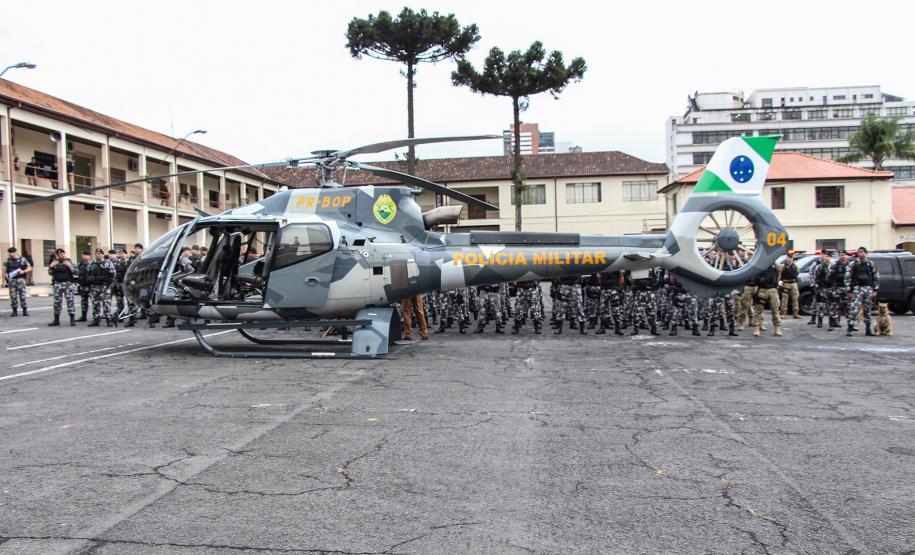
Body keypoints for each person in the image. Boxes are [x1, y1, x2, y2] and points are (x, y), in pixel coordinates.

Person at [845, 247, 879, 337]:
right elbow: (847, 277)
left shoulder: (870, 264)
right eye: (860, 252)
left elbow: (876, 277)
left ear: (866, 253)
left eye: (863, 252)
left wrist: (875, 289)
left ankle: (868, 329)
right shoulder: (853, 264)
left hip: (868, 288)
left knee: (868, 309)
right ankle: (850, 327)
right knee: (854, 309)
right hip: (857, 289)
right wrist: (849, 290)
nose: (861, 254)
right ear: (857, 253)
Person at [48, 247, 78, 326]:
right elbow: (50, 273)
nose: (61, 255)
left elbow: (76, 272)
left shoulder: (69, 262)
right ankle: (56, 320)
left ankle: (72, 319)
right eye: (60, 254)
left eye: (62, 254)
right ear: (57, 255)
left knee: (70, 301)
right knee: (57, 302)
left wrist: (69, 266)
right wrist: (51, 266)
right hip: (58, 284)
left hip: (68, 284)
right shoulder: (55, 262)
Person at [87, 248, 116, 327]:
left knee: (106, 304)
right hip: (94, 287)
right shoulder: (91, 263)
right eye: (97, 253)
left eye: (100, 253)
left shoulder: (108, 263)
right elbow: (88, 274)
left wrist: (108, 284)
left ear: (103, 254)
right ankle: (96, 319)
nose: (98, 255)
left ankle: (108, 320)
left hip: (104, 286)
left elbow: (113, 274)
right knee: (95, 304)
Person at [753, 262, 782, 337]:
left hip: (773, 289)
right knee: (758, 309)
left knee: (775, 309)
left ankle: (777, 328)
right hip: (762, 289)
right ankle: (757, 327)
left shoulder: (774, 264)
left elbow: (780, 271)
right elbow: (755, 277)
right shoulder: (760, 264)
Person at [5, 247, 32, 316]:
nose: (11, 254)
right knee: (13, 296)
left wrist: (23, 271)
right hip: (12, 280)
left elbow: (29, 268)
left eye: (12, 253)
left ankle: (24, 310)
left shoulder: (22, 259)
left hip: (21, 279)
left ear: (15, 252)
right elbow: (5, 270)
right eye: (10, 253)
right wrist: (6, 276)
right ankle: (14, 311)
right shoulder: (7, 260)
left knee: (22, 295)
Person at [778, 253, 801, 319]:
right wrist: (780, 285)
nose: (789, 259)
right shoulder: (783, 266)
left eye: (791, 257)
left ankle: (795, 313)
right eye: (788, 257)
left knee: (795, 298)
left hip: (793, 283)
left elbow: (797, 273)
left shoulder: (795, 266)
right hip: (786, 283)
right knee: (784, 299)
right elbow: (780, 277)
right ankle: (783, 313)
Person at [76, 251, 92, 321]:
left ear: (89, 256)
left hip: (91, 286)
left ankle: (96, 316)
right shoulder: (80, 265)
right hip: (83, 285)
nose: (84, 256)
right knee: (83, 302)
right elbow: (77, 274)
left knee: (95, 302)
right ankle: (83, 316)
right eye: (83, 255)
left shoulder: (92, 264)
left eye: (86, 255)